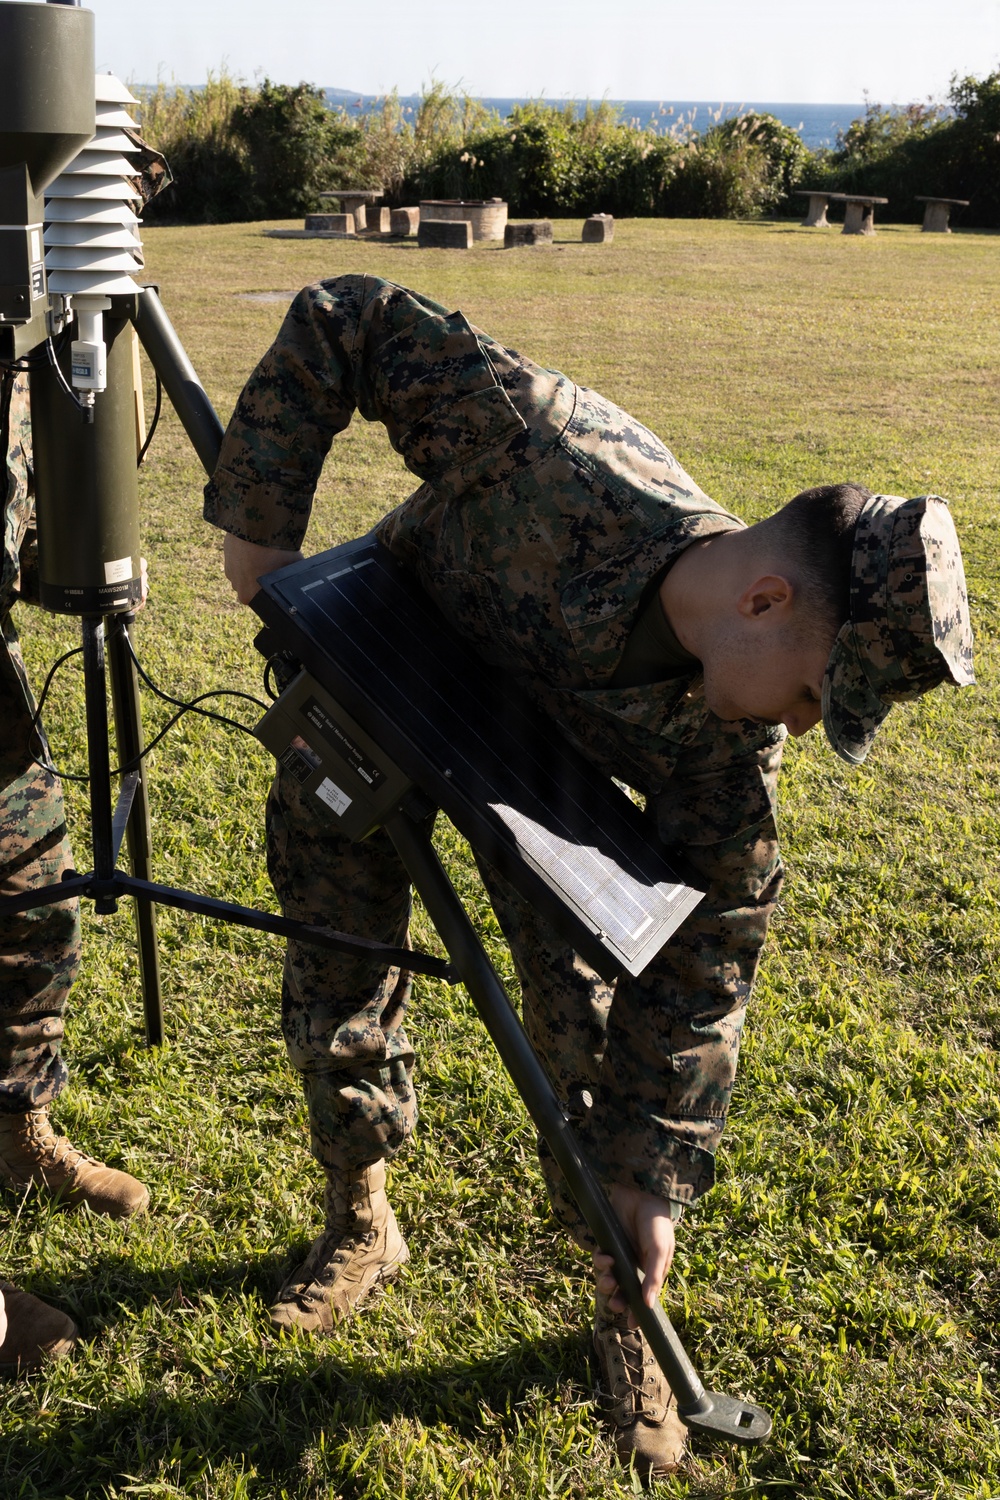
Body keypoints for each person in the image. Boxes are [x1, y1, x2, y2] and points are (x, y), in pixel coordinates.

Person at [206, 274, 974, 1479]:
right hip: (382, 664)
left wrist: (654, 1176)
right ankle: (361, 1217)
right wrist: (261, 533)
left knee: (590, 1024)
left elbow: (714, 949)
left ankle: (629, 1309)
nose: (804, 722)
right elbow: (346, 317)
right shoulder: (549, 449)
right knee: (340, 950)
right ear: (763, 600)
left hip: (537, 784)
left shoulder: (730, 751)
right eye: (820, 691)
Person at [0, 370, 149, 1220]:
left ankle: (17, 1126)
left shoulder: (27, 374)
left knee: (39, 902)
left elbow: (21, 547)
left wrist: (95, 555)